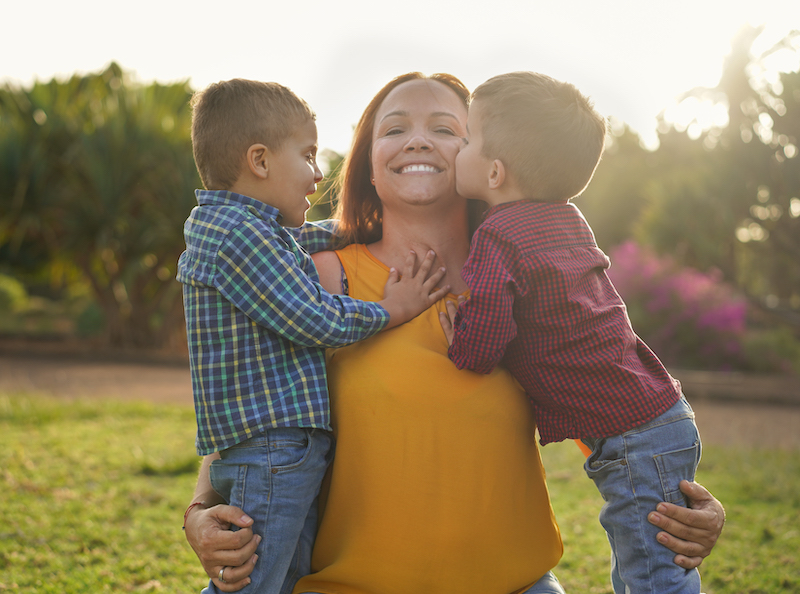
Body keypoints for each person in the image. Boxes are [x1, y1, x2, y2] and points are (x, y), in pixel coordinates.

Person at [183, 73, 726, 594]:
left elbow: (612, 411)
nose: (418, 139)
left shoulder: (530, 287)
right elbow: (252, 396)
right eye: (393, 128)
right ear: (369, 164)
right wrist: (201, 510)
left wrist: (682, 501)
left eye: (446, 128)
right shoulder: (317, 275)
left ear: (491, 162)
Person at [177, 78, 450, 594]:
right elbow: (315, 319)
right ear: (259, 161)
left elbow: (300, 239)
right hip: (275, 447)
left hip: (272, 448)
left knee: (283, 581)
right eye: (306, 156)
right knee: (252, 582)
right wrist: (392, 308)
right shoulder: (241, 238)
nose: (317, 173)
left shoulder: (241, 229)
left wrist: (363, 227)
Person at [439, 71, 704, 593]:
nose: (456, 150)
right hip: (659, 416)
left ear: (494, 173)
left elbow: (484, 340)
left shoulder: (499, 234)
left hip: (631, 435)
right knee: (648, 566)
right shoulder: (568, 217)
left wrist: (459, 335)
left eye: (465, 139)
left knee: (653, 575)